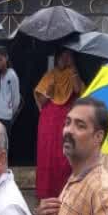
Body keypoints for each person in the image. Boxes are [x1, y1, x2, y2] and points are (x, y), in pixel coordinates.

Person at [34, 49, 84, 199]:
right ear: (56, 58)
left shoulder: (72, 73)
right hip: (49, 120)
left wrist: (73, 68)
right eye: (62, 56)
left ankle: (64, 191)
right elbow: (42, 102)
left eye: (68, 56)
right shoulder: (50, 75)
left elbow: (77, 90)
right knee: (47, 154)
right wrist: (49, 89)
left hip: (66, 118)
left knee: (64, 154)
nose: (65, 59)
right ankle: (45, 192)